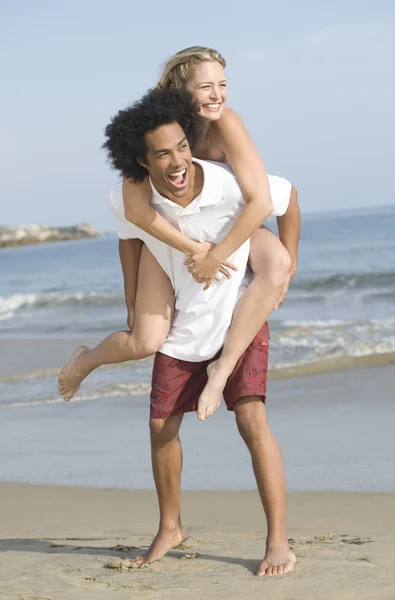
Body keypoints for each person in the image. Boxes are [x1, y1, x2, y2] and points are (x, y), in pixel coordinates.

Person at [106, 87, 296, 575]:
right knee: (160, 426)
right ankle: (171, 527)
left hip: (238, 317)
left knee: (251, 421)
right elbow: (129, 240)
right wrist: (132, 304)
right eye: (163, 154)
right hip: (185, 325)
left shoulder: (229, 185)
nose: (177, 161)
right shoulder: (136, 200)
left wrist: (288, 267)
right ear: (142, 162)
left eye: (182, 147)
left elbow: (287, 197)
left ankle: (278, 541)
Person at [58, 47, 300, 421]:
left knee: (278, 263)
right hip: (172, 237)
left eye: (222, 84)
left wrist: (226, 257)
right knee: (144, 339)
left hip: (227, 226)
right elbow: (134, 218)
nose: (217, 94)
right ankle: (85, 361)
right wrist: (182, 259)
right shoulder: (153, 125)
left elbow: (268, 202)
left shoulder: (226, 123)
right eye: (206, 86)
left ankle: (222, 369)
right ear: (177, 90)